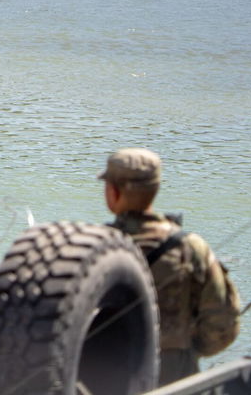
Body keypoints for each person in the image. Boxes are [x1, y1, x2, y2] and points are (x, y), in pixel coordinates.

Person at [100, 148, 241, 386]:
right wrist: (187, 352)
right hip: (175, 376)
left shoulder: (95, 245)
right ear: (155, 189)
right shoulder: (191, 247)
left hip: (103, 373)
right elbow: (223, 325)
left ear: (113, 192)